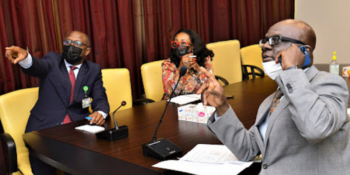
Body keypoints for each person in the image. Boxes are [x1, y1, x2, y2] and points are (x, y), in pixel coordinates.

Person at [198, 19, 350, 175]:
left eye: (275, 40)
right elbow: (247, 150)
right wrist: (222, 106)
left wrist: (292, 70)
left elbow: (316, 129)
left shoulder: (330, 83)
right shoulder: (272, 99)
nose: (265, 46)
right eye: (264, 41)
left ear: (304, 51)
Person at [5, 31, 110, 174]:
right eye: (68, 42)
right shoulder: (53, 60)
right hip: (43, 130)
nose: (71, 46)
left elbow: (100, 99)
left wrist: (100, 112)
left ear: (87, 51)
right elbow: (37, 66)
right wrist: (26, 58)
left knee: (83, 167)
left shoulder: (93, 69)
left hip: (76, 131)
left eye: (78, 44)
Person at [162, 29, 214, 100]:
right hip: (175, 105)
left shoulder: (204, 59)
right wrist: (180, 67)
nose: (179, 47)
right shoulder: (168, 64)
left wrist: (198, 69)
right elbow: (170, 92)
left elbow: (211, 86)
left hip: (200, 102)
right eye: (175, 44)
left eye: (183, 43)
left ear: (192, 47)